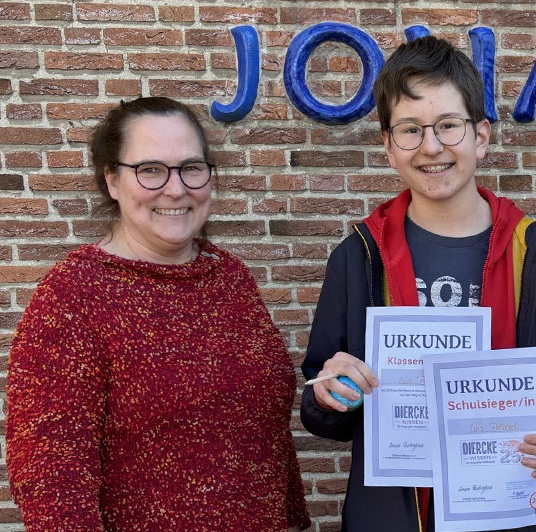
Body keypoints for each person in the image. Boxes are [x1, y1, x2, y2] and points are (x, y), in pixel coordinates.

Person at [300, 35, 536, 531]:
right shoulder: (357, 258)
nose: (431, 147)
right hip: (395, 518)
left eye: (448, 125)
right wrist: (329, 393)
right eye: (410, 130)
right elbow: (320, 409)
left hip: (515, 515)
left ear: (480, 136)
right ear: (388, 147)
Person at [6, 97, 311, 532]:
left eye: (191, 168)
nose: (176, 188)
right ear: (112, 180)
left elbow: (265, 435)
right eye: (150, 170)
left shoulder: (230, 278)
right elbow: (51, 476)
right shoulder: (72, 296)